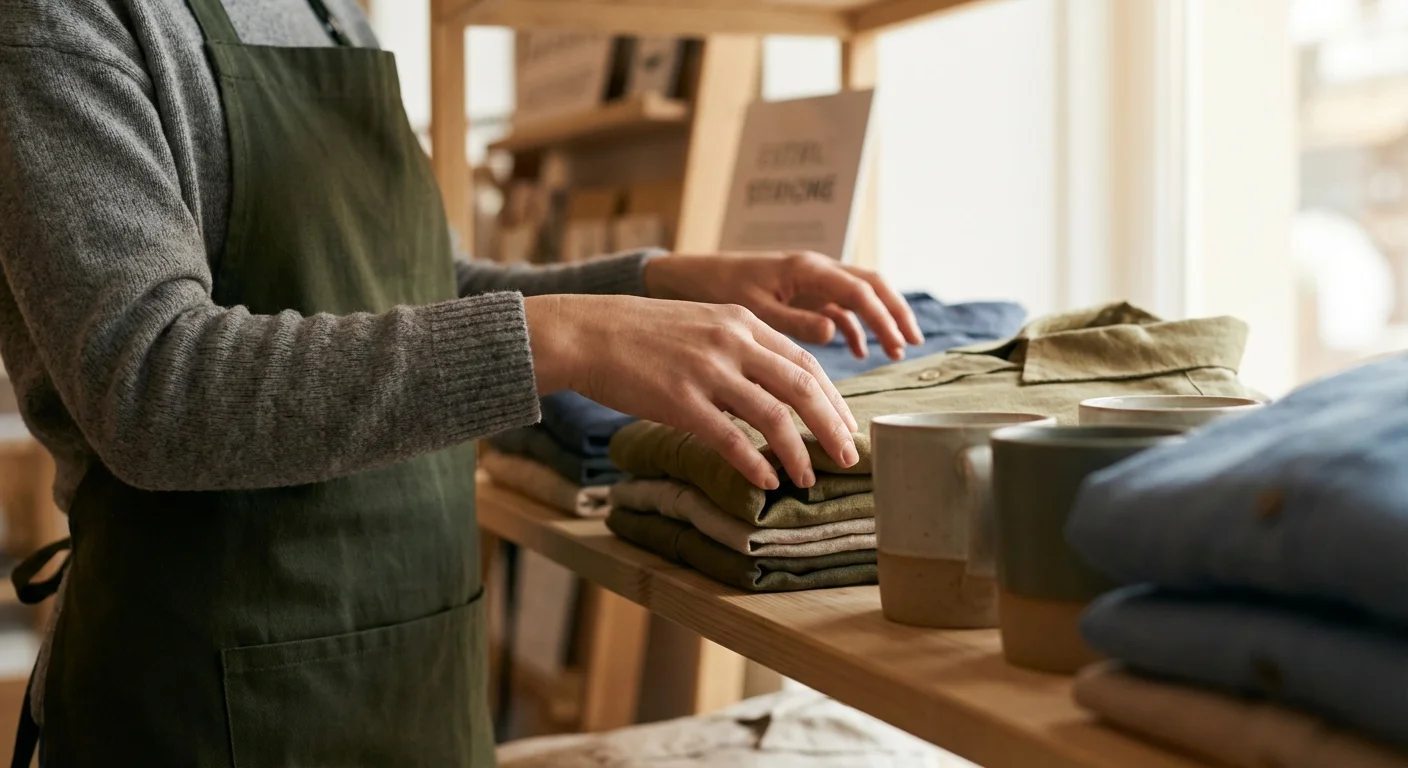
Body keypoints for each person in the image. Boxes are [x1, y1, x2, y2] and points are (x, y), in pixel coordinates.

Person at [0, 1, 922, 765]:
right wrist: (565, 335)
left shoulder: (337, 15)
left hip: (418, 674)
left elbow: (422, 289)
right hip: (203, 708)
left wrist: (654, 281)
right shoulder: (63, 19)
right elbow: (157, 388)